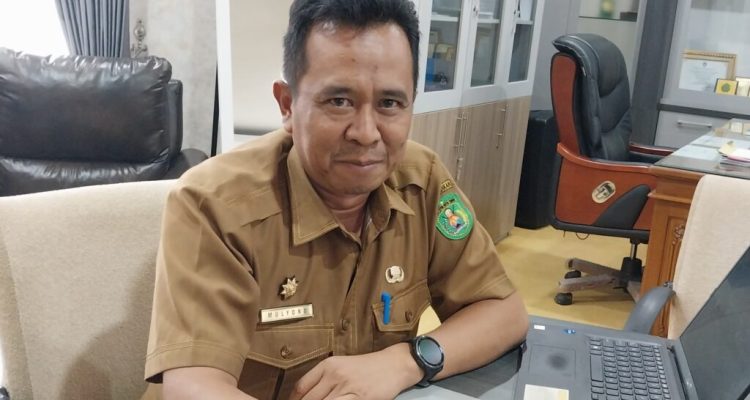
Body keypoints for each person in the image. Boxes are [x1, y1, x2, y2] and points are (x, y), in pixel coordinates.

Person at [142, 0, 528, 399]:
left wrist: (405, 361)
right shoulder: (214, 205)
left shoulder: (422, 181)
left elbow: (505, 312)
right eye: (339, 101)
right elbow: (194, 389)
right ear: (287, 105)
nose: (366, 133)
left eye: (389, 103)